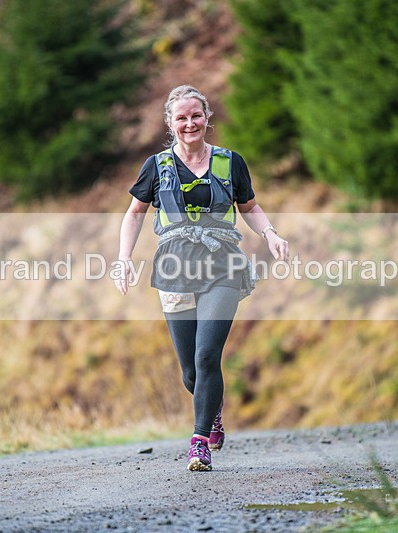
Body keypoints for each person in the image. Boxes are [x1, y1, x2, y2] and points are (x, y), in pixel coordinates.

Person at [116, 85, 289, 471]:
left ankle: (198, 443)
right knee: (191, 373)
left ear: (207, 118)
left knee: (207, 354)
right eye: (181, 117)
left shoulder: (230, 162)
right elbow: (134, 214)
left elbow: (250, 206)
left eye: (196, 115)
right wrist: (124, 258)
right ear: (170, 123)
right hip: (175, 269)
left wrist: (271, 234)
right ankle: (212, 412)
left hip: (223, 266)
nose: (189, 123)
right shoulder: (156, 167)